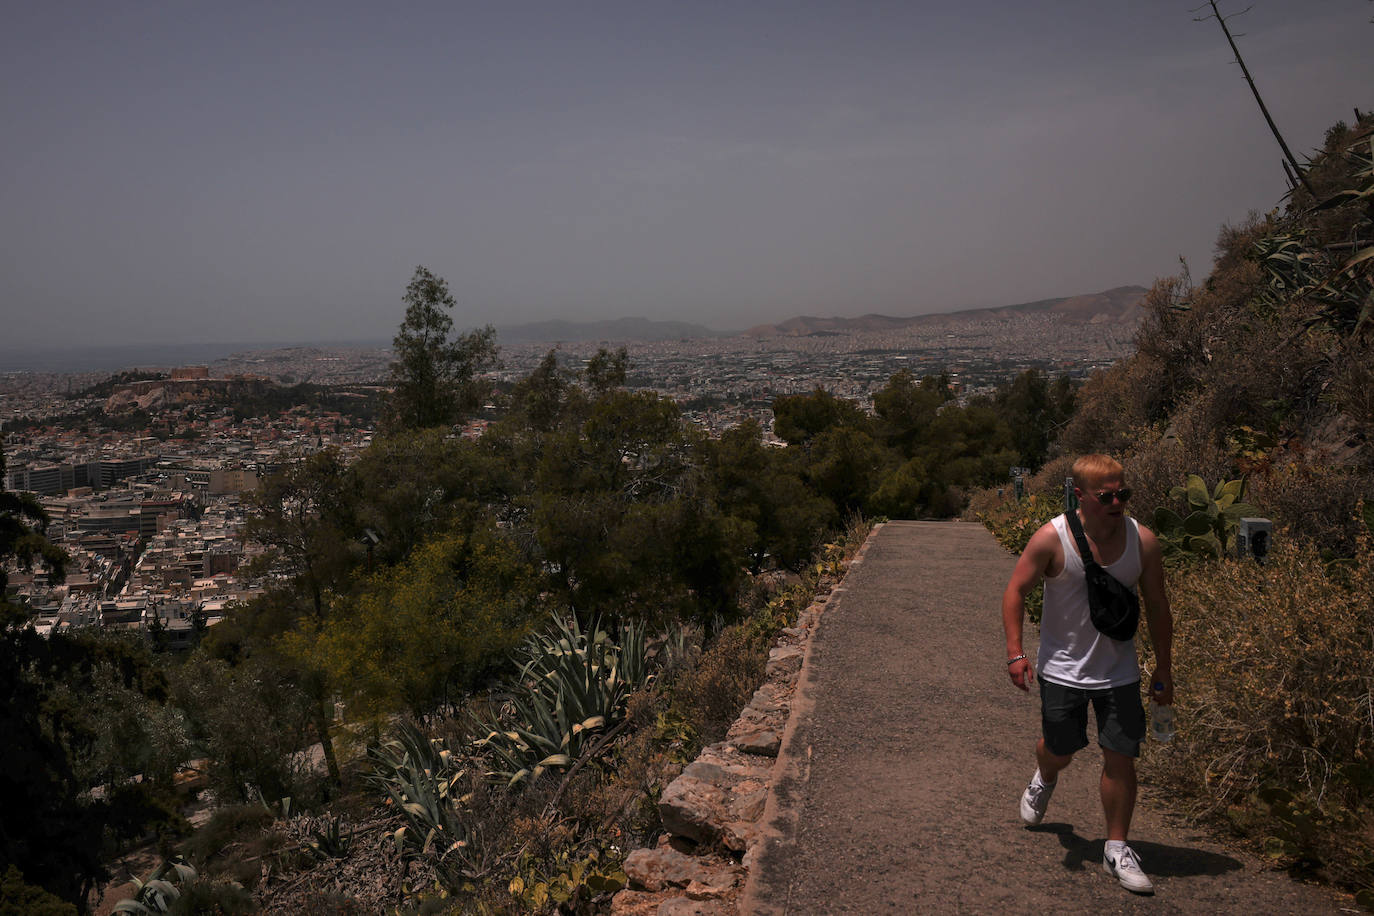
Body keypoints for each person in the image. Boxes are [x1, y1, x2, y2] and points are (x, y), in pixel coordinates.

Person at [1001, 454, 1173, 894]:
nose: (1117, 503)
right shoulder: (1052, 538)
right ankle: (1046, 774)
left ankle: (1116, 847)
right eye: (1107, 496)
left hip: (1120, 673)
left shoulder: (1143, 541)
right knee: (1060, 747)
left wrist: (1165, 667)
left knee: (1121, 756)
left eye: (1123, 494)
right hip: (1063, 670)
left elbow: (1157, 605)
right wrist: (1015, 653)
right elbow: (1016, 591)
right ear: (1080, 495)